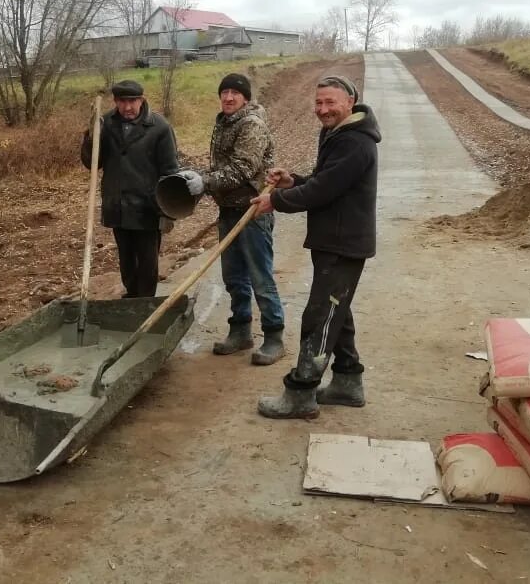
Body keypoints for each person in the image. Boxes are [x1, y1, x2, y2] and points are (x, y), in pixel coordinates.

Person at [250, 74, 381, 418]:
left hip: (344, 243)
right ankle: (348, 382)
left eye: (330, 102)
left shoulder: (357, 142)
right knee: (338, 312)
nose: (323, 109)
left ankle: (301, 393)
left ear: (350, 102)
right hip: (332, 239)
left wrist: (276, 200)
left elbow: (324, 190)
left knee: (320, 316)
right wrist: (294, 181)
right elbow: (325, 182)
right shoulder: (337, 134)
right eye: (319, 102)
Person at [178, 73, 286, 365]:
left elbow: (241, 169)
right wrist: (199, 176)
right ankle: (240, 331)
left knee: (260, 277)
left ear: (245, 98)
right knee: (234, 277)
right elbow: (222, 166)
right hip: (229, 209)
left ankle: (274, 337)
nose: (228, 97)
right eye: (224, 92)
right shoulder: (225, 122)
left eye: (234, 93)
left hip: (252, 210)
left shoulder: (252, 125)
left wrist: (205, 181)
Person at [82, 79, 179, 298]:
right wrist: (90, 138)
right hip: (117, 206)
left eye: (132, 101)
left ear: (141, 100)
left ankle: (145, 305)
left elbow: (170, 170)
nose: (127, 107)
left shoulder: (159, 127)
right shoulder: (105, 123)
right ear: (115, 101)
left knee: (147, 264)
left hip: (147, 209)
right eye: (122, 102)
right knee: (126, 261)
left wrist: (167, 210)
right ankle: (131, 299)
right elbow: (92, 163)